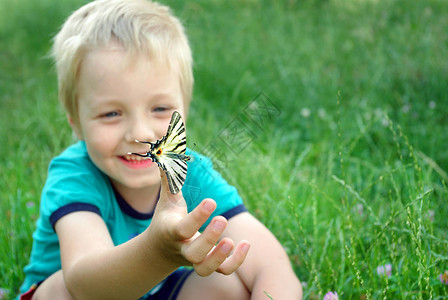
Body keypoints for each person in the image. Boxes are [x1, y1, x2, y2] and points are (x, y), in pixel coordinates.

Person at [18, 0, 302, 299]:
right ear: (76, 122)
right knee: (61, 291)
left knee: (227, 285)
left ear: (185, 110)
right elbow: (86, 286)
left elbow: (272, 266)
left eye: (160, 108)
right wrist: (158, 252)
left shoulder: (192, 173)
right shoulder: (75, 175)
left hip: (158, 292)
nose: (141, 133)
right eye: (110, 114)